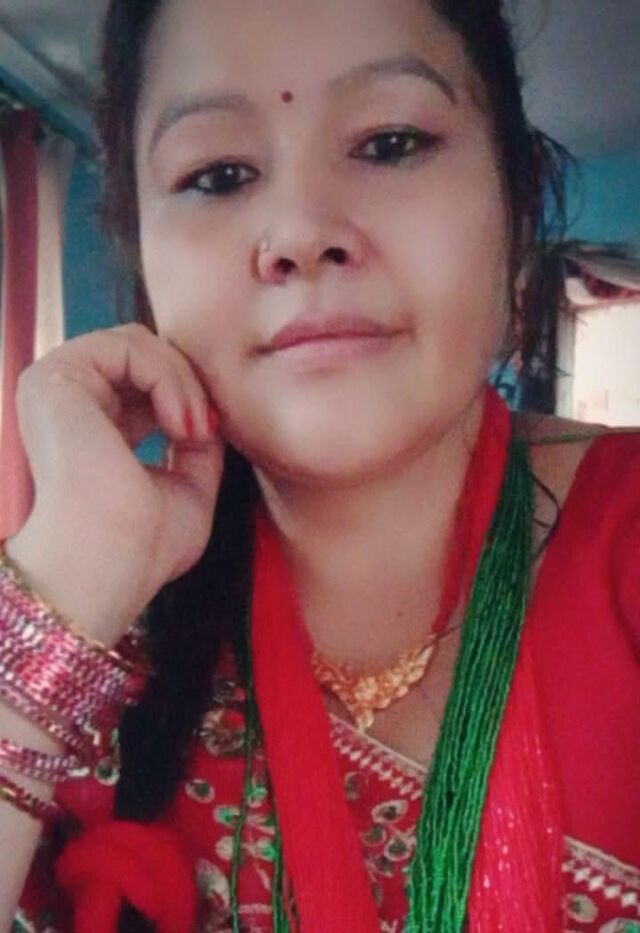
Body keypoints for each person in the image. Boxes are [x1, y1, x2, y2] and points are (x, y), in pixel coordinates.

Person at [0, 0, 638, 930]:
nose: (301, 231)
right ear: (145, 271)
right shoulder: (99, 630)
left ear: (518, 209)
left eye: (389, 143)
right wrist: (64, 588)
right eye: (219, 174)